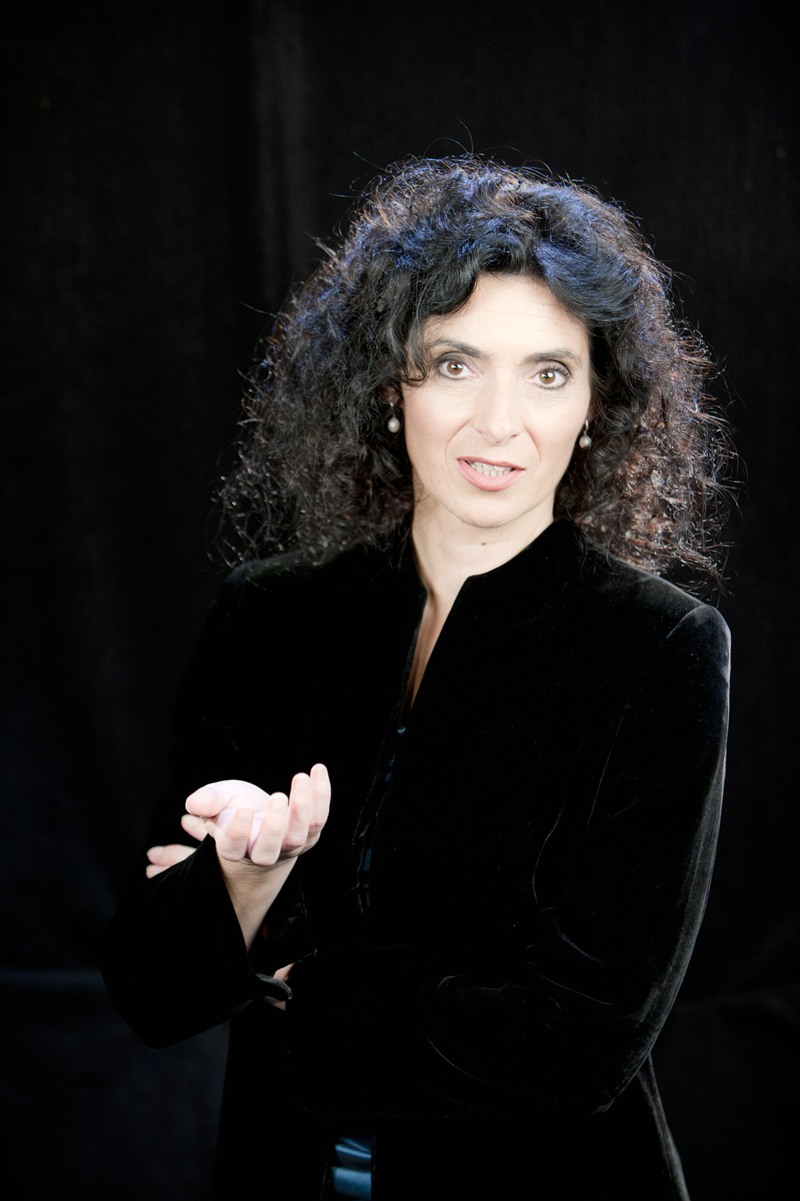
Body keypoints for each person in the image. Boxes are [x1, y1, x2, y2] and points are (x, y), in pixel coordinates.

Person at [102, 153, 732, 1200]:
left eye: (547, 372)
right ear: (391, 386)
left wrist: (289, 977)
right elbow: (152, 990)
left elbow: (578, 1043)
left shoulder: (659, 649)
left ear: (593, 405)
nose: (498, 422)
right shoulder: (268, 618)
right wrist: (249, 882)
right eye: (454, 364)